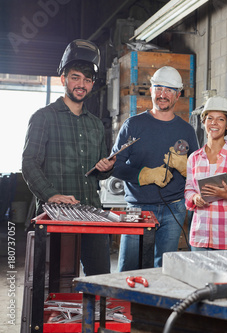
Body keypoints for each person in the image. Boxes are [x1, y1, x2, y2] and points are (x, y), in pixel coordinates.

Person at [22, 39, 115, 276]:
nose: (81, 84)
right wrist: (51, 195)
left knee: (100, 278)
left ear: (92, 84)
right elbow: (29, 163)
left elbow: (99, 169)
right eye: (75, 77)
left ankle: (92, 315)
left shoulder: (95, 124)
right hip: (57, 216)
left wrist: (106, 167)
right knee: (57, 282)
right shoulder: (43, 117)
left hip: (92, 213)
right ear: (63, 79)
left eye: (87, 80)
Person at [112, 66, 199, 270]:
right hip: (138, 208)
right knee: (129, 266)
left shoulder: (186, 130)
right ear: (151, 90)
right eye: (159, 88)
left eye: (169, 90)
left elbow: (198, 170)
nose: (163, 95)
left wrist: (186, 168)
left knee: (164, 268)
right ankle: (127, 302)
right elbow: (114, 167)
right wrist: (144, 175)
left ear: (178, 95)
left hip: (174, 209)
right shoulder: (132, 125)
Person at [184, 96, 227, 250]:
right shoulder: (194, 158)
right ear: (203, 122)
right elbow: (188, 190)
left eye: (220, 119)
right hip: (200, 236)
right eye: (210, 118)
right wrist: (195, 197)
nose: (214, 123)